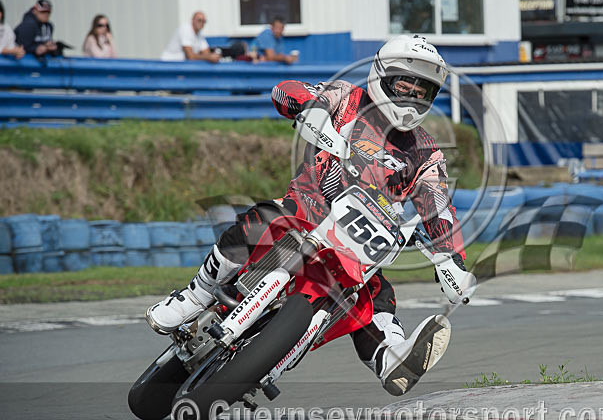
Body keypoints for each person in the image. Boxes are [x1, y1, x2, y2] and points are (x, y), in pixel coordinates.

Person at [147, 35, 472, 396]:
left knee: (378, 295)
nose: (411, 96)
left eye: (422, 91)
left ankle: (391, 355)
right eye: (404, 85)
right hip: (304, 210)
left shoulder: (427, 153)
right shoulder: (347, 98)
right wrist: (309, 107)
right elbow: (287, 90)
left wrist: (453, 260)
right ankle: (195, 296)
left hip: (358, 244)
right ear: (382, 77)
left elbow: (438, 204)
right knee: (259, 220)